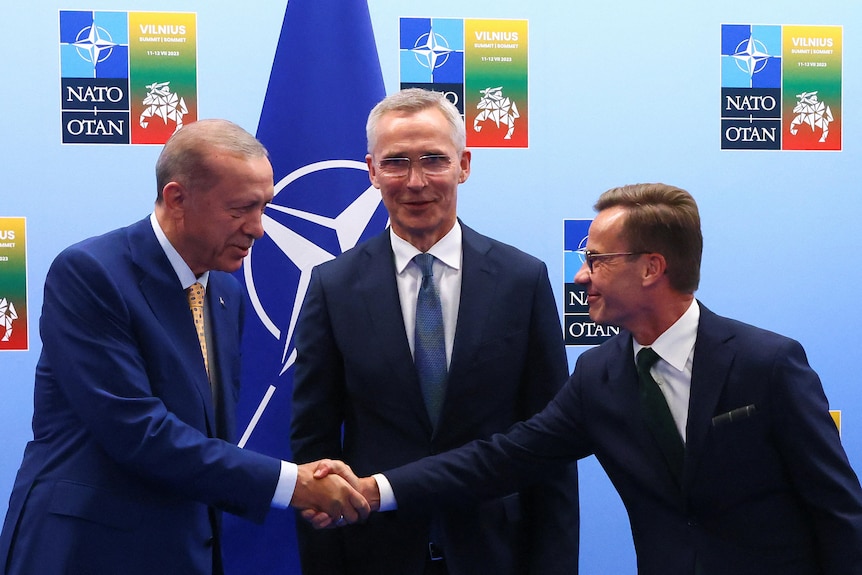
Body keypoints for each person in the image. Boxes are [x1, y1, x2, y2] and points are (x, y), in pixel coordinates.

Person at [316, 183, 862, 575]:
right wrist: (376, 489)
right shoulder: (599, 375)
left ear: (651, 268)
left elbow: (838, 509)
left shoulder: (768, 364)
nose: (580, 277)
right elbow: (501, 459)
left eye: (596, 261)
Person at [0, 119, 368, 575]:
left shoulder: (225, 293)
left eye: (264, 208)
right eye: (241, 209)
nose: (259, 229)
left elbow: (207, 435)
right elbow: (137, 431)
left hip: (185, 549)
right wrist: (292, 483)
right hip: (88, 551)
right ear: (177, 198)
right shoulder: (91, 274)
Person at [289, 88, 579, 574]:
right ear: (372, 171)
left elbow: (550, 446)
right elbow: (315, 448)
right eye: (397, 162)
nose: (416, 181)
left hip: (495, 554)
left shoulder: (521, 280)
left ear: (464, 165)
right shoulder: (332, 287)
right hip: (375, 555)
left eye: (433, 160)